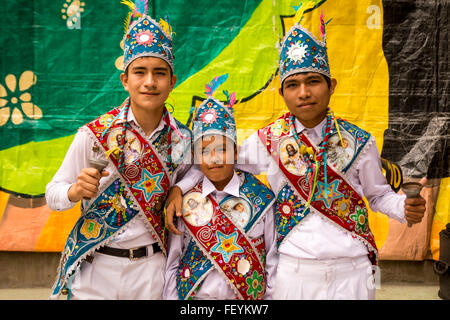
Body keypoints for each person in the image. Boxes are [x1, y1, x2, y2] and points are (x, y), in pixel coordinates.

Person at [165, 9, 426, 300]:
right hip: (294, 271)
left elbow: (378, 195)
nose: (304, 92)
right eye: (293, 84)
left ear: (331, 86)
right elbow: (214, 162)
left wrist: (403, 208)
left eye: (313, 81)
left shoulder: (359, 141)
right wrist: (179, 187)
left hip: (353, 270)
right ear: (282, 93)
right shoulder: (267, 141)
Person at [45, 2, 192, 300]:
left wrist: (180, 188)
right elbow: (53, 194)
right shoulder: (95, 135)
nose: (150, 82)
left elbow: (197, 180)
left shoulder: (182, 139)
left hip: (151, 270)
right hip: (97, 268)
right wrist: (74, 191)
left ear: (172, 81)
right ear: (125, 79)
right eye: (139, 72)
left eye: (159, 73)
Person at [163, 76, 277, 300]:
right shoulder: (185, 201)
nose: (214, 158)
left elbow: (272, 259)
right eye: (205, 151)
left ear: (236, 152)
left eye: (222, 149)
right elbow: (172, 262)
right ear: (196, 157)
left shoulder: (261, 198)